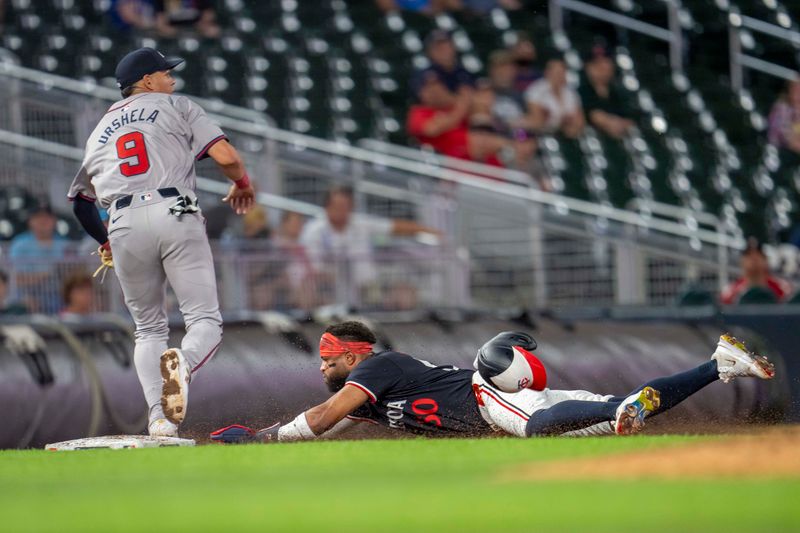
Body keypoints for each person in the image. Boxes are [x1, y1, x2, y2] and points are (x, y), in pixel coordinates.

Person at [68, 47, 256, 438]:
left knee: (148, 329)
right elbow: (226, 157)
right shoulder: (178, 106)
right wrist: (241, 184)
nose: (171, 79)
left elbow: (81, 203)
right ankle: (183, 364)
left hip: (121, 221)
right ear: (147, 81)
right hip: (175, 210)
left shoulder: (98, 132)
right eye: (166, 73)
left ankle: (159, 420)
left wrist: (105, 240)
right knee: (204, 320)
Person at [210, 321, 775, 443]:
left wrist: (264, 440)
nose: (322, 365)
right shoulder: (375, 399)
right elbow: (326, 423)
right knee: (621, 411)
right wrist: (264, 432)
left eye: (330, 357)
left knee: (536, 429)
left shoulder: (376, 368)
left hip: (487, 398)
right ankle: (718, 365)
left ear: (357, 355)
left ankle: (623, 405)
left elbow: (326, 415)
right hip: (514, 402)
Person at [299, 187, 439, 307]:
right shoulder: (314, 230)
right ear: (327, 207)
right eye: (338, 206)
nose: (342, 211)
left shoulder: (359, 223)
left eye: (346, 207)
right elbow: (313, 268)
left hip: (367, 289)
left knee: (405, 293)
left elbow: (394, 227)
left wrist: (429, 231)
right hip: (328, 290)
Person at [407, 68, 513, 166]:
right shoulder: (418, 112)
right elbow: (431, 129)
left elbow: (497, 139)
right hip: (444, 167)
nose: (435, 90)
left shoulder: (462, 109)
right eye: (428, 86)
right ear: (420, 91)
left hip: (483, 167)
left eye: (437, 84)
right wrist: (462, 105)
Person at [9, 203, 71, 314]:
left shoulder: (64, 244)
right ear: (30, 221)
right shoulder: (20, 244)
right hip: (27, 299)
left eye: (47, 217)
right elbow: (17, 279)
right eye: (38, 217)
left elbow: (71, 278)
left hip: (59, 301)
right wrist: (48, 274)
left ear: (54, 220)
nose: (43, 220)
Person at [579, 45, 635, 139]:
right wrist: (608, 122)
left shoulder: (618, 93)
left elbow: (630, 119)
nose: (604, 69)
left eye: (607, 64)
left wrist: (618, 123)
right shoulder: (582, 91)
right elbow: (592, 115)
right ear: (588, 67)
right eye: (598, 65)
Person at [525, 58, 585, 138]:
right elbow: (537, 121)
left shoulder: (571, 92)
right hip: (543, 135)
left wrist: (555, 120)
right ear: (547, 73)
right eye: (557, 72)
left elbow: (579, 120)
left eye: (562, 72)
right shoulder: (535, 91)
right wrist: (562, 122)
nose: (560, 76)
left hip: (569, 134)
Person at [720, 239, 792, 305]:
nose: (754, 257)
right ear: (741, 261)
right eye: (748, 254)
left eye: (758, 253)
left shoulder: (782, 289)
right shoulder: (730, 292)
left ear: (765, 259)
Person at [412, 29, 474, 95]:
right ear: (429, 53)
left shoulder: (464, 72)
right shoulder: (424, 75)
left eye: (446, 46)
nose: (444, 52)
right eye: (438, 48)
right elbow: (433, 96)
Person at [154, 0, 220, 38]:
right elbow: (160, 22)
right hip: (173, 32)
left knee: (213, 31)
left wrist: (202, 26)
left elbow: (208, 14)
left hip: (196, 30)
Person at [767, 78, 800, 154]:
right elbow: (784, 137)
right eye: (796, 89)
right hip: (783, 154)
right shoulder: (781, 109)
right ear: (789, 91)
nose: (799, 94)